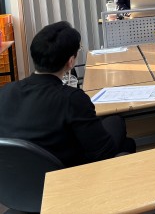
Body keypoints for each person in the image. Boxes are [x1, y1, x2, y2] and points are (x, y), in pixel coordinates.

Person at [0, 21, 135, 167]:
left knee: (123, 137)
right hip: (64, 172)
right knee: (119, 127)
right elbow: (103, 154)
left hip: (15, 174)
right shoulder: (72, 98)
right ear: (70, 62)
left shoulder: (6, 90)